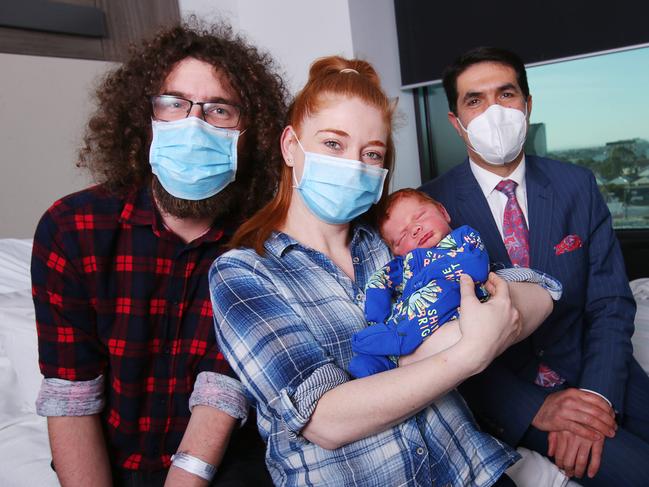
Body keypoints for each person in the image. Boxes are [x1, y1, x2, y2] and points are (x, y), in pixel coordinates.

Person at [210, 55, 555, 486]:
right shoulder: (243, 273)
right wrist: (470, 350)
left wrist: (471, 328)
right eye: (333, 144)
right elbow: (325, 421)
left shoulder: (391, 245)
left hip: (472, 472)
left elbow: (536, 289)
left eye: (371, 153)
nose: (354, 164)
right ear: (290, 147)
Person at [31, 23, 287, 487]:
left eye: (219, 110)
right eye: (173, 103)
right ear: (143, 117)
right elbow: (71, 393)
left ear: (253, 132)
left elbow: (223, 389)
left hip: (223, 464)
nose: (194, 124)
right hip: (109, 461)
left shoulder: (264, 240)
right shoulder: (72, 228)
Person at [421, 46, 649, 485]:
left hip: (593, 370)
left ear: (527, 105)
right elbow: (436, 342)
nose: (493, 111)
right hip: (513, 395)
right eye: (474, 100)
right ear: (456, 122)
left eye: (505, 95)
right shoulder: (431, 210)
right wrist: (535, 409)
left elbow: (610, 304)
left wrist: (597, 394)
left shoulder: (575, 185)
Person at [349, 188, 562, 378]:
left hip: (457, 303)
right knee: (381, 339)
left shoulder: (463, 239)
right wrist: (376, 320)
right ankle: (383, 358)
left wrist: (428, 272)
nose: (415, 230)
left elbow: (475, 267)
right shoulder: (403, 264)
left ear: (443, 212)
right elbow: (378, 282)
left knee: (442, 290)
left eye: (420, 217)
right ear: (396, 251)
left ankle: (398, 340)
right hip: (414, 317)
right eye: (402, 236)